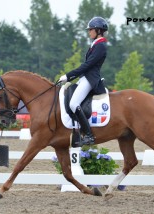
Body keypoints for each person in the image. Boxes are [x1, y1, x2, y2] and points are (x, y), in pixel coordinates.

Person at [59, 16, 108, 147]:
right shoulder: (95, 44)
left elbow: (87, 66)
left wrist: (68, 76)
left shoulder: (101, 46)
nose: (89, 32)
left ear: (98, 30)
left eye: (90, 29)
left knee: (74, 104)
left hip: (90, 79)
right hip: (85, 77)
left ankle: (89, 135)